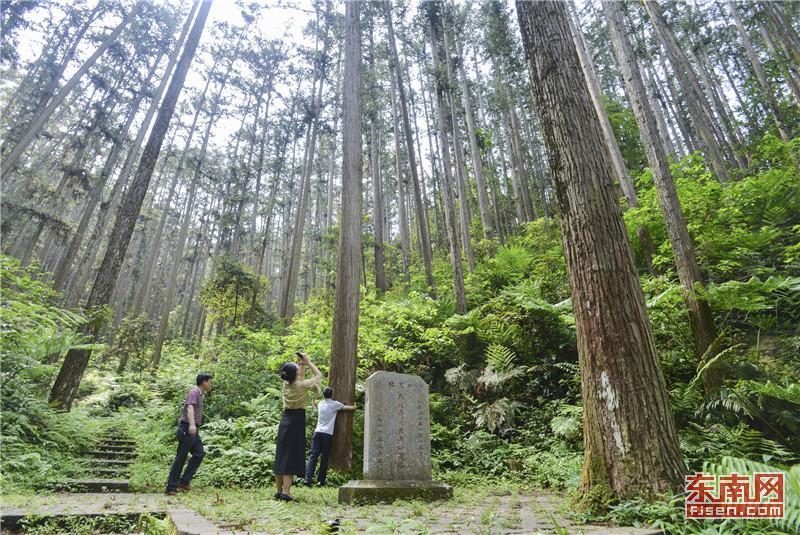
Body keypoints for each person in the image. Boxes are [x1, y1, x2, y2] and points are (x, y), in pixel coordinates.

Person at [274, 352, 321, 501]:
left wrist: (301, 364)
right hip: (296, 420)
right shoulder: (301, 385)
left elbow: (297, 375)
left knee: (281, 455)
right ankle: (287, 493)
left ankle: (279, 491)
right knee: (291, 456)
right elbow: (319, 375)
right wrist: (309, 363)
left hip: (285, 419)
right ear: (295, 374)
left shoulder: (286, 384)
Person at [165, 373, 212, 496]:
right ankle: (171, 487)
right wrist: (191, 425)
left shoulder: (200, 394)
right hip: (187, 427)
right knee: (181, 457)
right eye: (209, 382)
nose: (211, 384)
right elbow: (190, 408)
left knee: (199, 453)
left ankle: (184, 481)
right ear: (203, 382)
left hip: (193, 429)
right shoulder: (194, 392)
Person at [305, 386, 356, 487]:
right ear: (332, 394)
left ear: (323, 395)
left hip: (317, 432)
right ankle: (321, 481)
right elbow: (350, 408)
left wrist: (314, 397)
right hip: (327, 434)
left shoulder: (320, 404)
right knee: (324, 457)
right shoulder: (335, 404)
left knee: (313, 455)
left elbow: (314, 404)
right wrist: (355, 405)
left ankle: (308, 479)